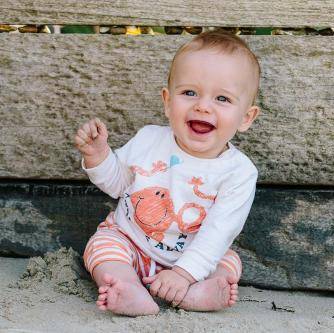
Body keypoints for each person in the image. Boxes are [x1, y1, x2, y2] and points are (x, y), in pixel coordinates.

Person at [74, 30, 261, 316]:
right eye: (189, 93)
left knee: (228, 260)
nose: (202, 105)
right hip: (131, 242)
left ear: (245, 117)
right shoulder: (149, 140)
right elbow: (117, 185)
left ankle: (199, 293)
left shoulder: (239, 173)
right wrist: (98, 155)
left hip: (195, 257)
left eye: (222, 99)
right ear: (167, 101)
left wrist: (184, 273)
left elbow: (218, 233)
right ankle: (125, 286)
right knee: (101, 246)